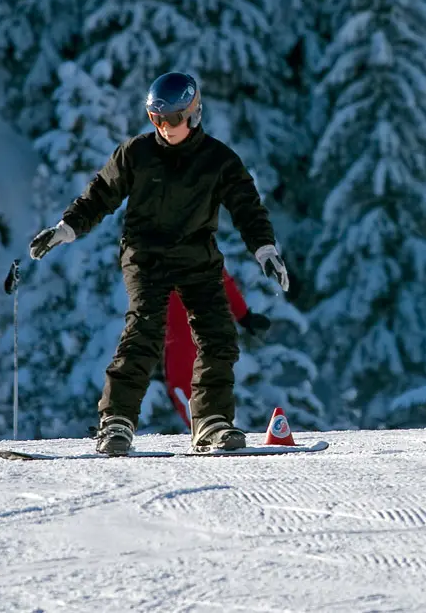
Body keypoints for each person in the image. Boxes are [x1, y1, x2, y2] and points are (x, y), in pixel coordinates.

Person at [27, 71, 290, 455]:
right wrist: (66, 229)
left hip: (197, 259)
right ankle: (116, 421)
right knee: (145, 331)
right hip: (145, 257)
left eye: (173, 119)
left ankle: (211, 421)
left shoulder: (219, 161)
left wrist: (265, 250)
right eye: (156, 119)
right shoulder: (136, 154)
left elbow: (248, 209)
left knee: (218, 336)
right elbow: (100, 195)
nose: (165, 128)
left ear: (194, 114)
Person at [163, 269, 272, 428]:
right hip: (178, 310)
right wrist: (242, 314)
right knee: (188, 373)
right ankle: (208, 424)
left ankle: (211, 424)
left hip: (190, 312)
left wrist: (243, 315)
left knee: (196, 372)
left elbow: (221, 276)